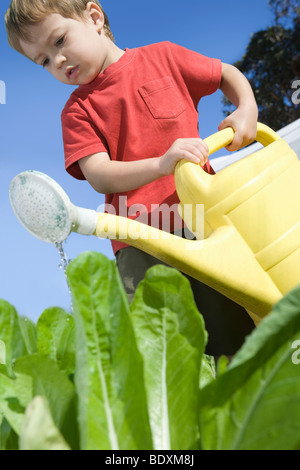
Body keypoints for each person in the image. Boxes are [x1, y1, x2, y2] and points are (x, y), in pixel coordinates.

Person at [5, 0, 258, 357]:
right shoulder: (77, 112)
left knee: (236, 331)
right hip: (139, 242)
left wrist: (246, 108)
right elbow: (99, 175)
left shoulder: (164, 57)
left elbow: (225, 75)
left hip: (204, 221)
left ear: (94, 18)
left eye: (59, 41)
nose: (57, 62)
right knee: (160, 350)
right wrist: (161, 164)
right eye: (43, 61)